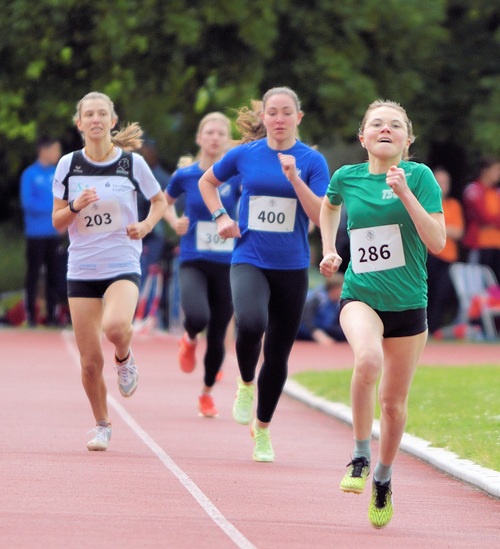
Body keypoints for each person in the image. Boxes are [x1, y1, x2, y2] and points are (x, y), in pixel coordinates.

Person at [319, 99, 444, 528]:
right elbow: (329, 204)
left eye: (395, 125)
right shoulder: (346, 177)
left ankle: (384, 478)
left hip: (409, 304)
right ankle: (358, 454)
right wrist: (330, 249)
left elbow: (438, 241)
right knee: (367, 359)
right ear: (363, 136)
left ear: (408, 139)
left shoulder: (421, 177)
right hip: (362, 296)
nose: (385, 129)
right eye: (377, 124)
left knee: (392, 405)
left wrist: (406, 193)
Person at [199, 87, 330, 462]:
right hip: (249, 257)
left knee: (277, 355)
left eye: (286, 112)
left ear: (298, 118)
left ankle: (263, 429)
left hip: (291, 266)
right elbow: (207, 182)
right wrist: (220, 216)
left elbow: (321, 215)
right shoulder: (244, 154)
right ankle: (244, 382)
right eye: (272, 112)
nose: (278, 119)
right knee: (251, 323)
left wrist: (295, 179)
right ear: (264, 118)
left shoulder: (312, 161)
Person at [52, 91, 167, 451]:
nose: (96, 119)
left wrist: (146, 225)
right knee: (89, 363)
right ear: (80, 123)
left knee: (116, 327)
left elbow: (160, 201)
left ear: (113, 121)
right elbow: (57, 222)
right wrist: (75, 205)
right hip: (83, 268)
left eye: (103, 113)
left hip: (122, 264)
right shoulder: (68, 165)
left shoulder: (131, 164)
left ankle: (125, 356)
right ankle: (102, 424)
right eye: (90, 114)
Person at [163, 112, 241, 418]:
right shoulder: (185, 175)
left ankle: (206, 393)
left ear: (228, 139)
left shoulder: (237, 176)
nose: (215, 137)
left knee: (220, 329)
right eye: (209, 132)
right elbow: (164, 201)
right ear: (199, 138)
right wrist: (175, 222)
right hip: (193, 258)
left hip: (228, 262)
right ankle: (189, 338)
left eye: (221, 133)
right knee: (197, 315)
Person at [20, 136, 63, 327]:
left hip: (54, 233)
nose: (58, 154)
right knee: (33, 274)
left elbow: (65, 199)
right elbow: (28, 203)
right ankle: (31, 316)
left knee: (54, 275)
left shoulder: (57, 173)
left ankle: (52, 316)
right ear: (44, 151)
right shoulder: (29, 174)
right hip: (36, 234)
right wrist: (54, 209)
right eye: (55, 150)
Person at [426, 167, 464, 335]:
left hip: (448, 257)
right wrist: (443, 228)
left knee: (442, 295)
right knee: (426, 293)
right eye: (438, 182)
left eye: (445, 182)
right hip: (428, 255)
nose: (442, 186)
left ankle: (434, 329)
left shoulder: (453, 205)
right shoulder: (424, 203)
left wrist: (437, 227)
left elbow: (459, 232)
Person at [462, 156, 500, 282]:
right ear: (485, 171)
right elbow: (483, 216)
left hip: (497, 245)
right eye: (495, 169)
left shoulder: (496, 192)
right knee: (479, 282)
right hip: (480, 244)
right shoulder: (473, 190)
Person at [296, 272, 346, 345]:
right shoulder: (315, 298)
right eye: (342, 288)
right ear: (335, 289)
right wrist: (318, 334)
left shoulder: (338, 302)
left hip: (324, 329)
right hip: (302, 332)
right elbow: (306, 319)